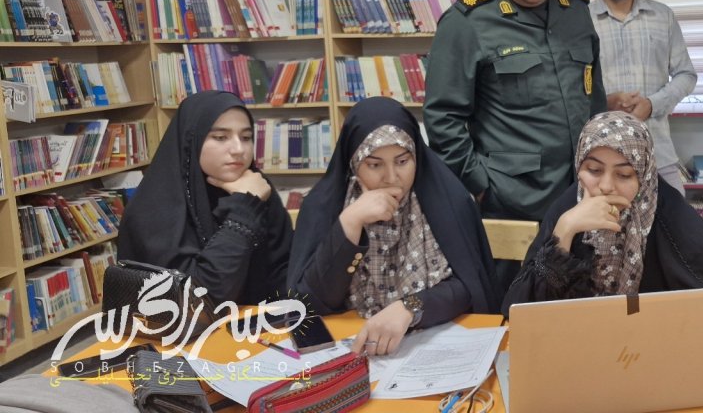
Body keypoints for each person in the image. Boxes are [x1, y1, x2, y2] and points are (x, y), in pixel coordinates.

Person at [502, 111, 703, 349]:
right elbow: (520, 313)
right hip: (576, 354)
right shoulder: (569, 206)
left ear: (643, 176)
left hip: (651, 357)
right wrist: (564, 231)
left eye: (624, 174)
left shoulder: (668, 214)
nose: (605, 186)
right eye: (593, 170)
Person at [424, 0, 607, 223]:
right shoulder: (467, 22)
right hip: (512, 203)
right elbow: (442, 118)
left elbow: (595, 100)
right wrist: (480, 186)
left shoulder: (576, 10)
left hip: (580, 193)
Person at [288, 97, 500, 356]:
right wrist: (350, 223)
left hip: (431, 343)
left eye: (402, 161)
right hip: (351, 344)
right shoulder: (325, 206)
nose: (391, 177)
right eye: (374, 165)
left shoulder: (448, 200)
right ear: (353, 161)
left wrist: (410, 307)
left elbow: (469, 286)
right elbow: (309, 302)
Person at [118, 91, 292, 306]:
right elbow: (199, 299)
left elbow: (284, 273)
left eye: (246, 137)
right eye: (220, 137)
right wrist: (244, 212)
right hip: (179, 325)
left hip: (254, 320)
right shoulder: (153, 211)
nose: (239, 149)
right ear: (192, 141)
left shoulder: (256, 186)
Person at [590, 0, 697, 195]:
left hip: (658, 155)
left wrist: (651, 104)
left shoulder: (663, 17)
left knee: (677, 221)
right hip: (600, 161)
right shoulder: (580, 22)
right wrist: (604, 102)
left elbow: (686, 75)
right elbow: (569, 89)